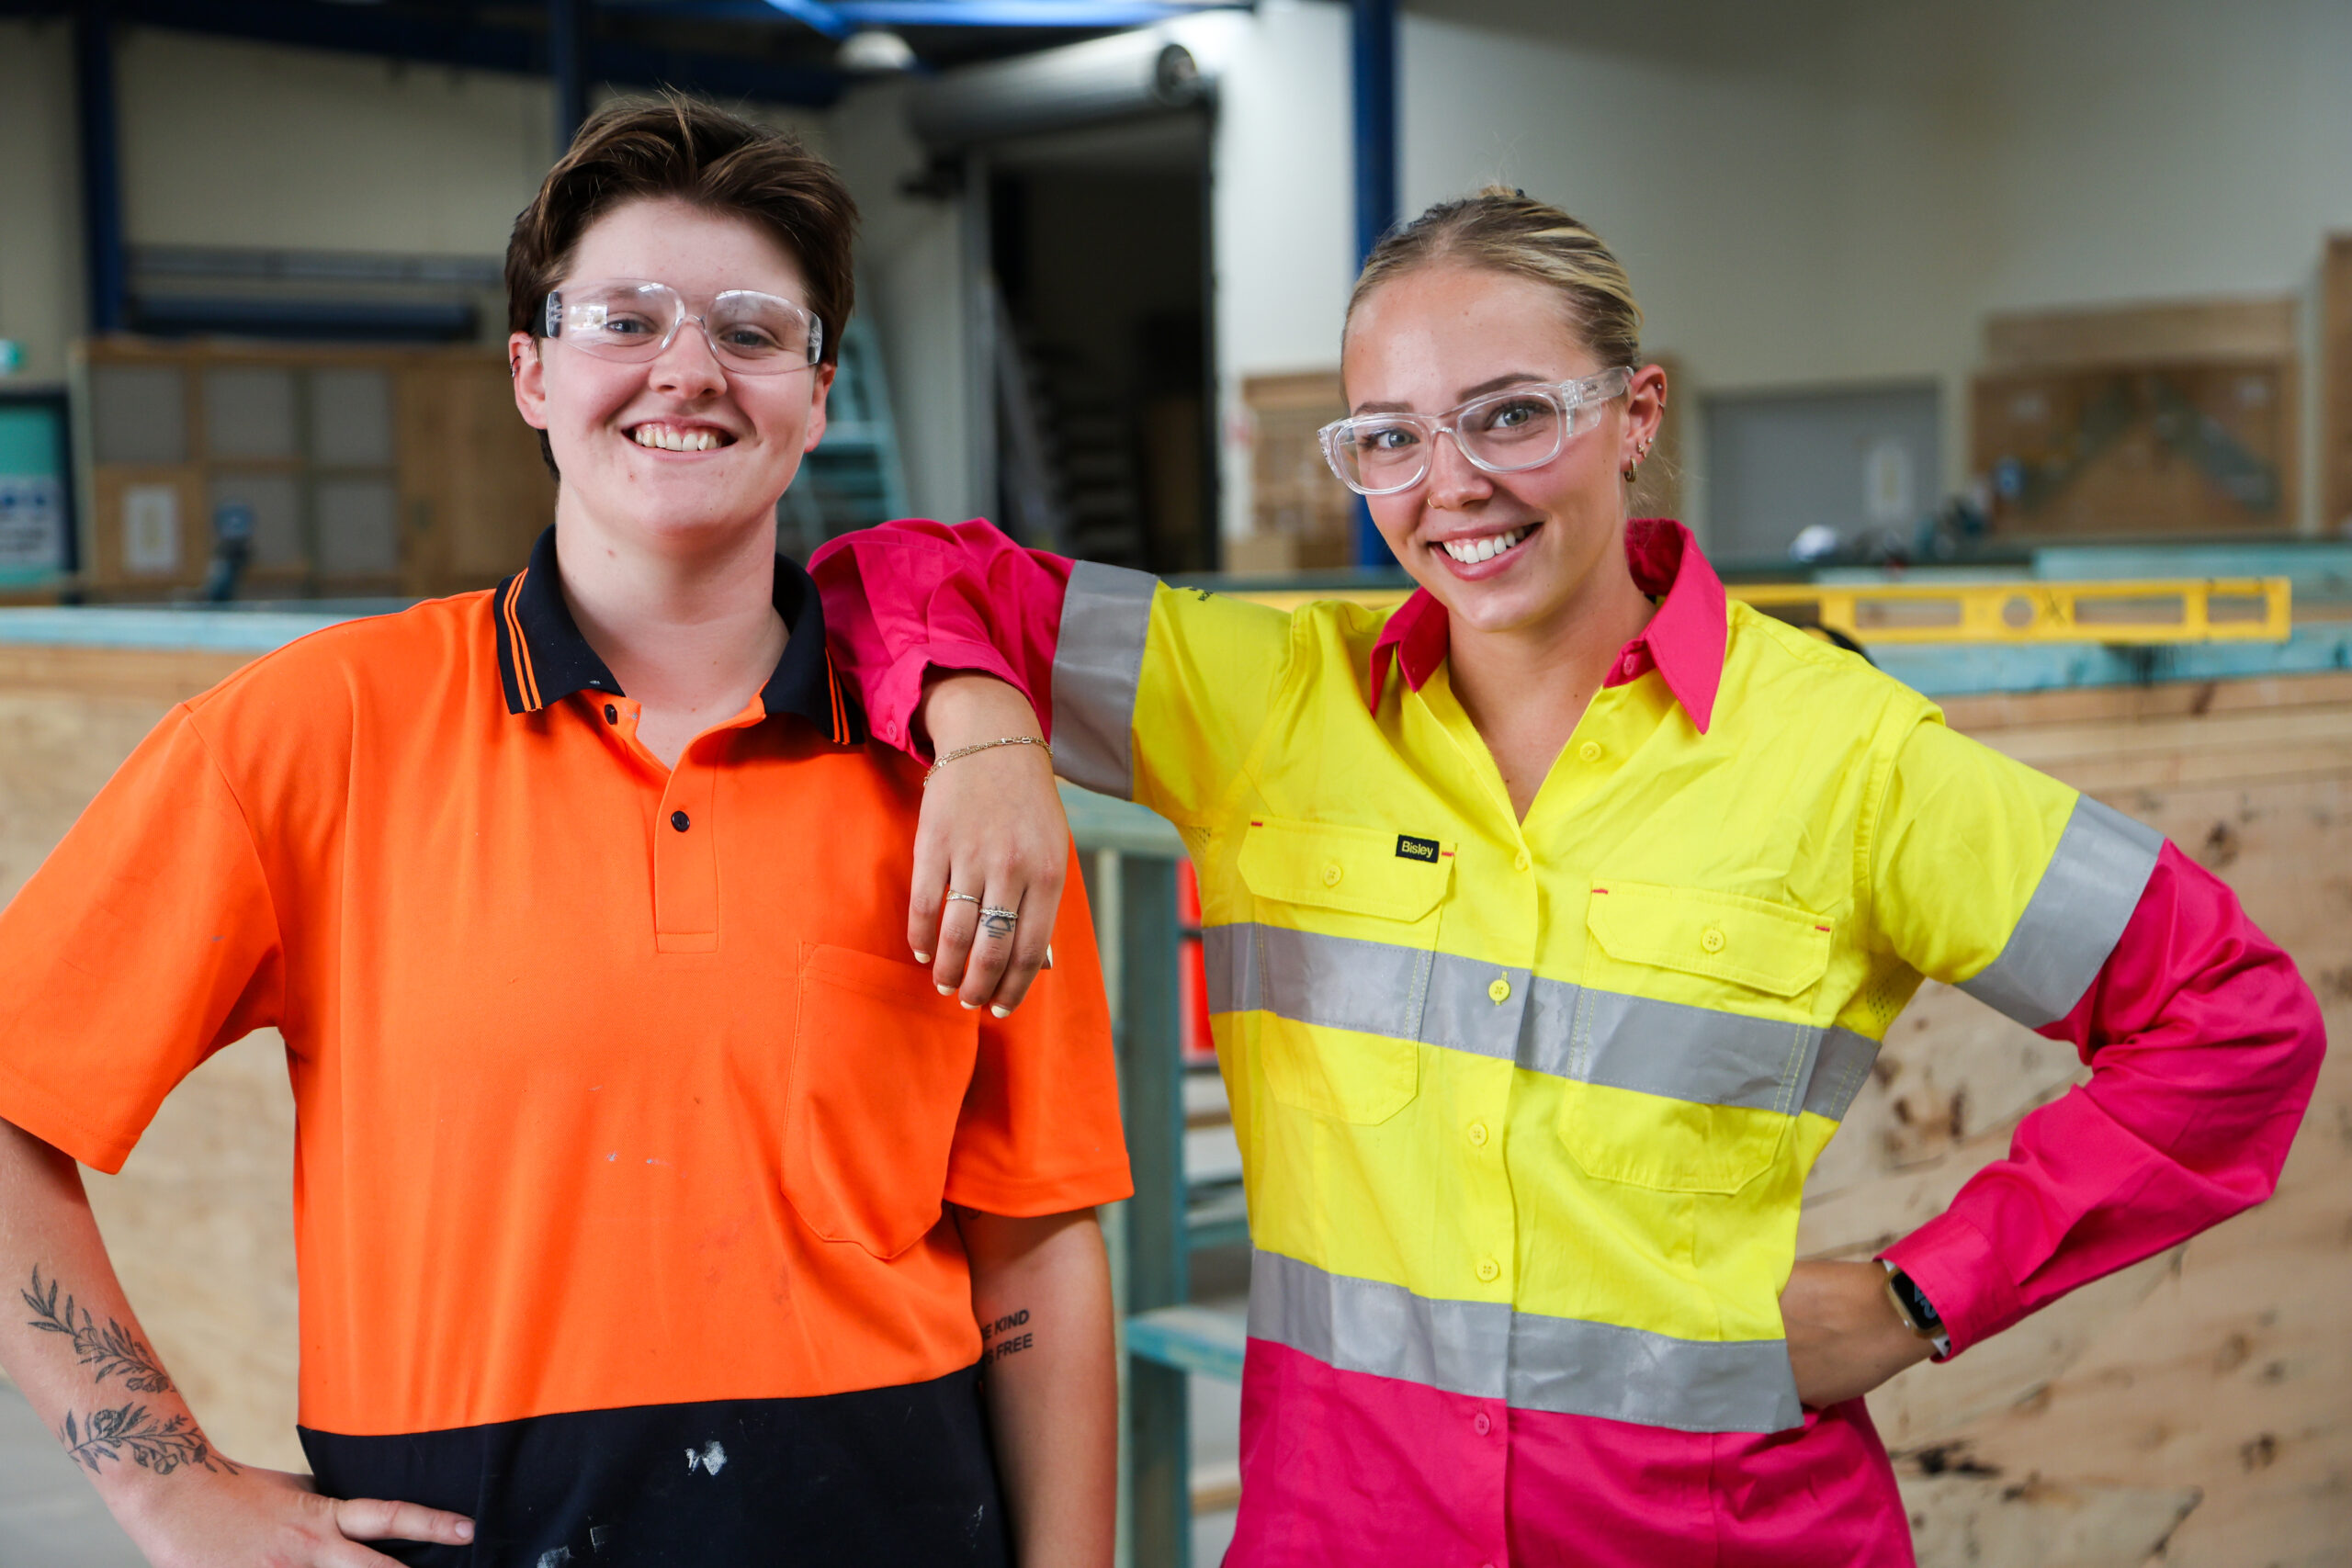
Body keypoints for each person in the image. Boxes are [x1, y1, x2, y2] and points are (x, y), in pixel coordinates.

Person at [808, 187, 2326, 1564]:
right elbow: (885, 574)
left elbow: (2236, 1015)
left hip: (1717, 1536)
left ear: (1633, 414)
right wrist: (992, 740)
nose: (1450, 486)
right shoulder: (1262, 703)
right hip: (1347, 1535)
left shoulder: (1845, 756)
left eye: (1511, 415)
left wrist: (1925, 1293)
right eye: (1389, 437)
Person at [0, 97, 1127, 1567]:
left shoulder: (964, 788)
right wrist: (166, 1485)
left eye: (750, 328)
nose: (687, 369)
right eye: (623, 318)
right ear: (532, 372)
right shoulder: (317, 730)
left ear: (819, 389)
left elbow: (1034, 1243)